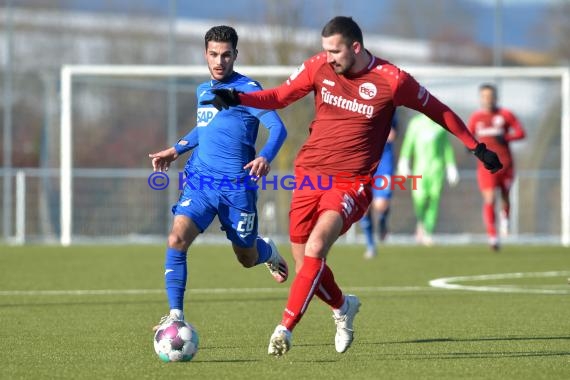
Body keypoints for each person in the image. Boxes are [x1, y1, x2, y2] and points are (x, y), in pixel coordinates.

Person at [201, 16, 502, 356]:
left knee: (316, 248)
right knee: (306, 265)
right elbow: (281, 96)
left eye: (335, 51)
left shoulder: (392, 80)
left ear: (355, 47)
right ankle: (343, 308)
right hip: (309, 175)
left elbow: (438, 110)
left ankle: (284, 328)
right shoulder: (318, 67)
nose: (328, 57)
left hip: (351, 182)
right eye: (325, 50)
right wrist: (240, 99)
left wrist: (475, 146)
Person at [148, 25, 289, 330]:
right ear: (205, 54)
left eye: (226, 55)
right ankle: (175, 317)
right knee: (176, 238)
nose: (219, 61)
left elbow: (279, 129)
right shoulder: (203, 90)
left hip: (237, 189)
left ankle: (268, 250)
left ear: (235, 55)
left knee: (246, 257)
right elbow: (206, 127)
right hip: (201, 181)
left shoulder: (249, 90)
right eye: (213, 54)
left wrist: (264, 156)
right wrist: (176, 149)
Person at [467, 83, 525, 250]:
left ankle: (505, 218)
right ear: (480, 99)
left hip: (506, 165)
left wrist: (506, 138)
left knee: (505, 196)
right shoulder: (476, 118)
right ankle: (493, 236)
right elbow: (468, 136)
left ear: (496, 98)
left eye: (490, 96)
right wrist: (469, 147)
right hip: (486, 167)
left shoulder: (505, 115)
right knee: (490, 198)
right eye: (484, 96)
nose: (488, 100)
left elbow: (521, 133)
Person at [397, 113, 460, 246]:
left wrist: (451, 166)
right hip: (419, 169)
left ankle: (428, 231)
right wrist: (403, 161)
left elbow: (446, 147)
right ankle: (421, 221)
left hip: (437, 170)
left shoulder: (440, 125)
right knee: (419, 198)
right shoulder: (415, 124)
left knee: (434, 199)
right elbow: (408, 144)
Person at [360, 113, 399, 259]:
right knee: (364, 208)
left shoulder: (389, 106)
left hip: (384, 162)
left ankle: (382, 220)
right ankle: (370, 245)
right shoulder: (355, 104)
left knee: (380, 205)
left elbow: (393, 133)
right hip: (363, 162)